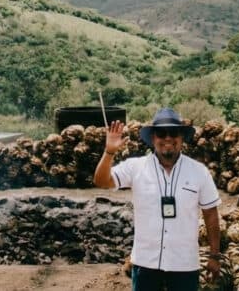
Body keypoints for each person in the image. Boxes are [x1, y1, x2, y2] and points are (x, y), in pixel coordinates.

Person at [94, 108, 221, 291]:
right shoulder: (136, 167)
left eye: (173, 133)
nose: (167, 138)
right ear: (153, 138)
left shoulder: (199, 172)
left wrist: (214, 256)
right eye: (161, 133)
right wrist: (109, 152)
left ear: (182, 137)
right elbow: (101, 181)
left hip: (184, 265)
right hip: (146, 265)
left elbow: (211, 214)